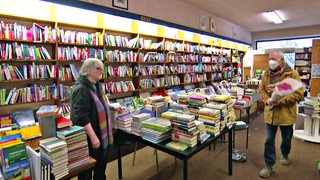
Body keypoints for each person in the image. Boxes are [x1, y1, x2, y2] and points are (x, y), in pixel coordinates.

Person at [70, 58, 124, 180]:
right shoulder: (81, 88)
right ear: (88, 70)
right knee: (86, 171)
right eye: (98, 68)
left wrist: (111, 107)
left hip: (101, 134)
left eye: (102, 68)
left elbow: (98, 103)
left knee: (100, 166)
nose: (101, 71)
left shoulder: (96, 84)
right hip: (89, 137)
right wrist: (93, 137)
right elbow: (81, 117)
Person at [258, 50, 304, 178]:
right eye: (269, 59)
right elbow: (261, 88)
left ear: (282, 60)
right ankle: (268, 165)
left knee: (286, 138)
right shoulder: (266, 73)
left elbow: (298, 93)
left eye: (273, 59)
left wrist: (279, 101)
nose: (270, 61)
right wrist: (266, 98)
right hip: (270, 113)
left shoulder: (292, 74)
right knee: (269, 139)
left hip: (286, 113)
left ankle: (285, 153)